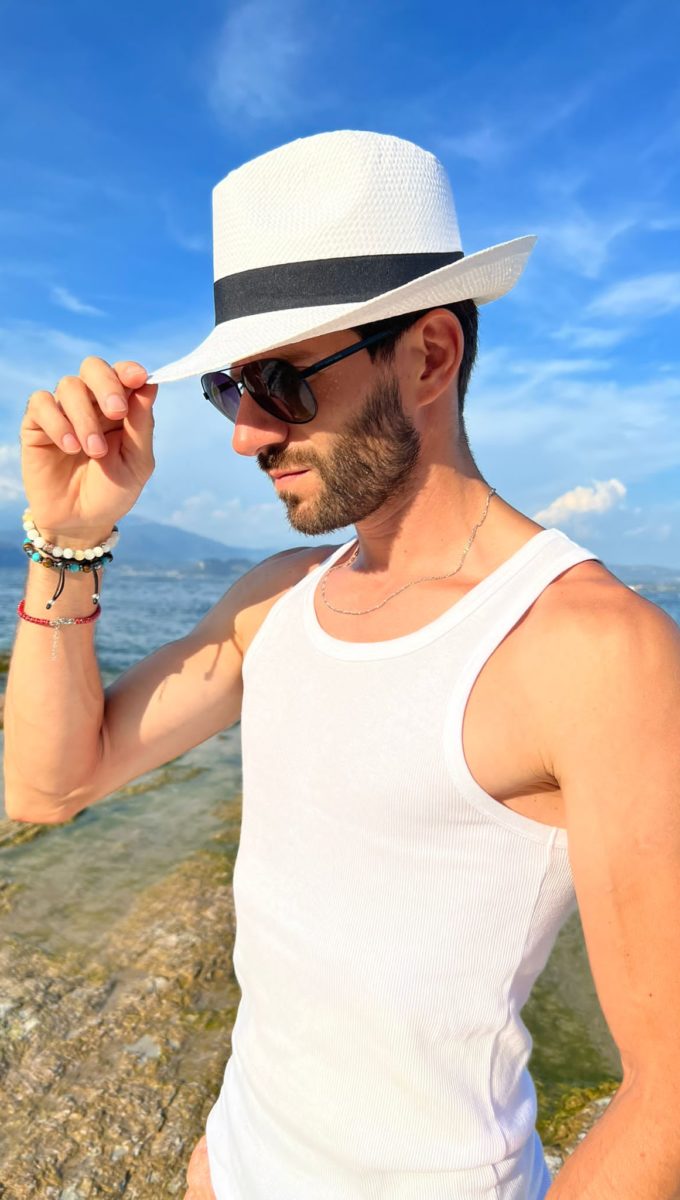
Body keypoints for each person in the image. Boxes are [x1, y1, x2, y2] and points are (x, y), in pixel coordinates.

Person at [4, 131, 680, 1200]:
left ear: (428, 355)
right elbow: (47, 786)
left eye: (280, 381)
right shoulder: (275, 601)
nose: (246, 435)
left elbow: (668, 1091)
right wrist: (69, 539)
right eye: (232, 387)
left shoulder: (589, 649)